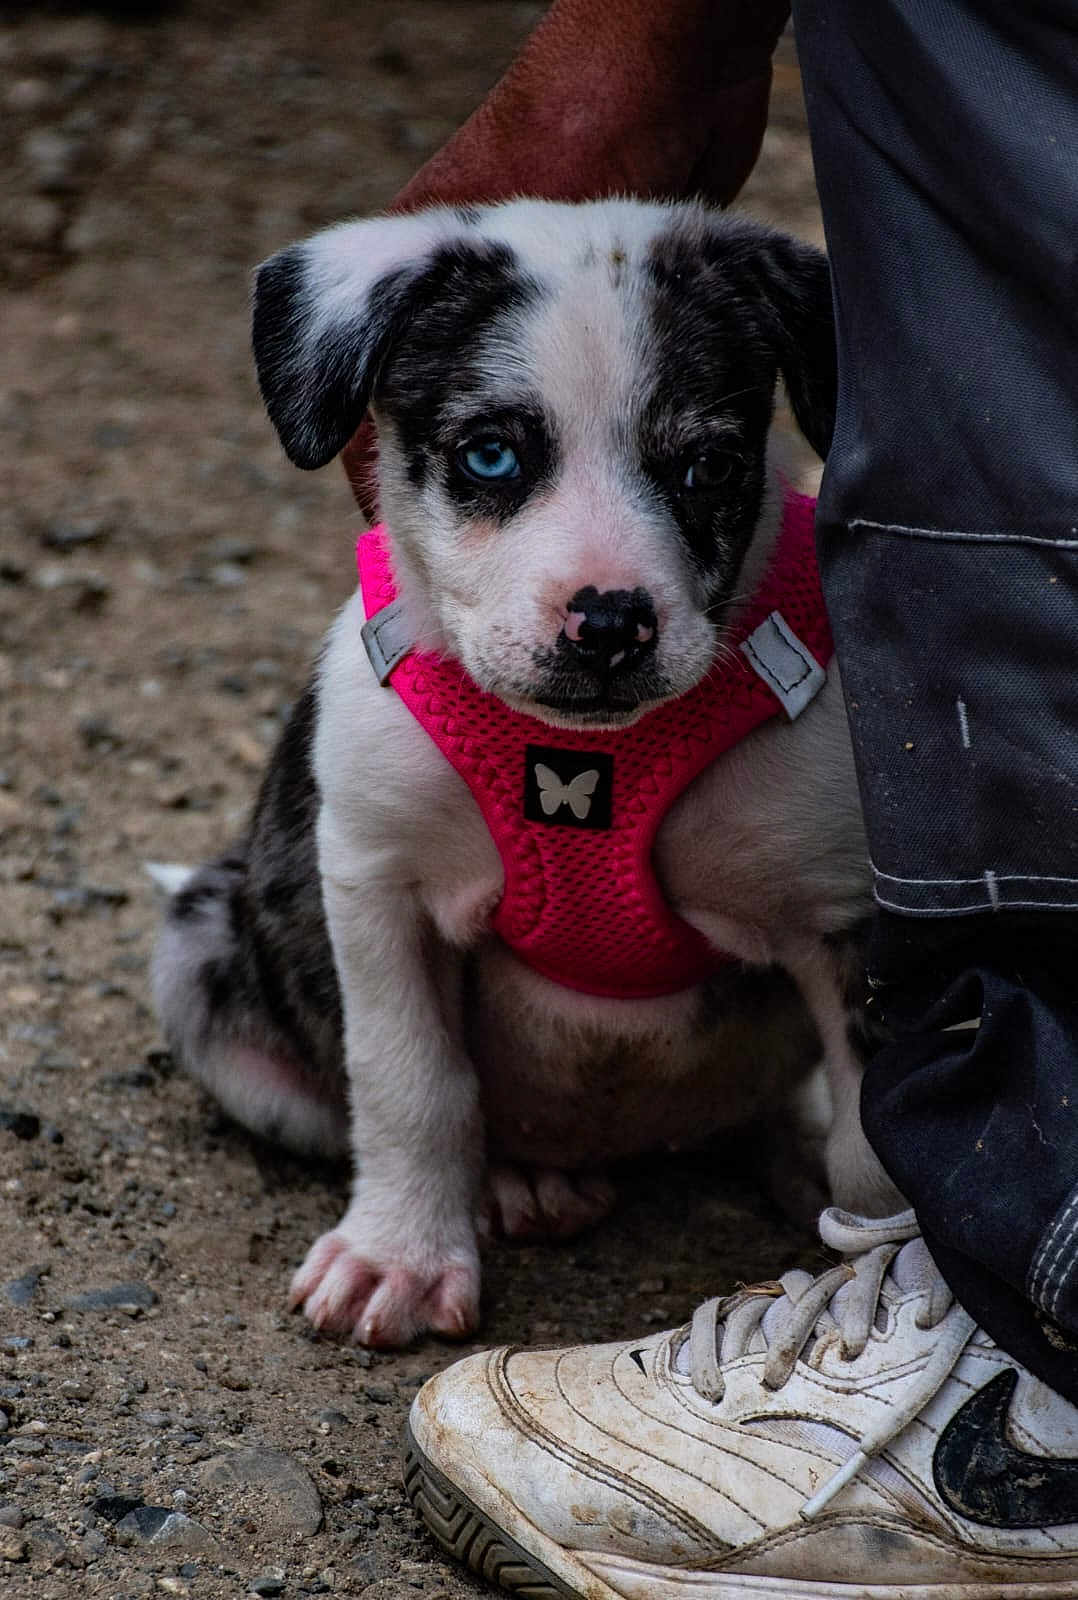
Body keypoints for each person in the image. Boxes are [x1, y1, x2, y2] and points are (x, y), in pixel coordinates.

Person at [355, 1, 1078, 1590]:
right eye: (492, 461)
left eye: (692, 471)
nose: (601, 579)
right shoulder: (399, 685)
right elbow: (360, 881)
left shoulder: (775, 690)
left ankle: (1029, 1355)